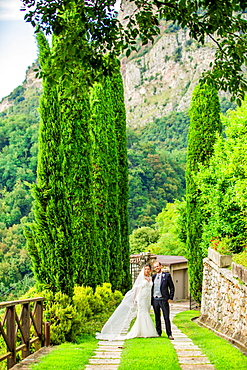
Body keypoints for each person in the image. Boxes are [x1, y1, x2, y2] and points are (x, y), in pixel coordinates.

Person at [96, 264, 158, 340]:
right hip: (141, 297)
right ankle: (143, 331)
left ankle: (145, 330)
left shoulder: (151, 278)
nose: (147, 271)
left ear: (150, 270)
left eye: (148, 269)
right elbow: (136, 289)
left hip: (147, 298)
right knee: (142, 313)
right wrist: (135, 298)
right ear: (143, 270)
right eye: (145, 269)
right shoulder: (141, 278)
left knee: (147, 312)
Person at [152, 261, 175, 340]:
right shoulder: (153, 277)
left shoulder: (167, 275)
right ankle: (158, 333)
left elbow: (171, 287)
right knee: (157, 317)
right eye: (155, 267)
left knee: (166, 317)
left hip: (164, 299)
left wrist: (170, 297)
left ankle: (169, 334)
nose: (156, 268)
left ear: (160, 266)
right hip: (155, 299)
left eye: (157, 266)